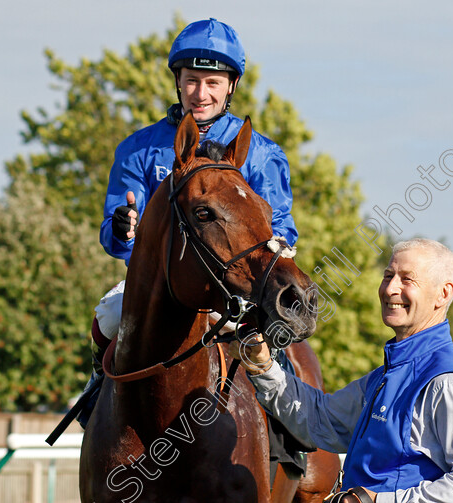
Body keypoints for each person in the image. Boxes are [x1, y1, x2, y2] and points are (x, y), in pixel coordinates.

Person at [77, 18, 299, 428]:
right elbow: (116, 234)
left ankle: (288, 427)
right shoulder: (138, 149)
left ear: (231, 86)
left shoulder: (262, 154)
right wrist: (123, 227)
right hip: (159, 287)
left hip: (233, 285)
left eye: (212, 83)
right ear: (177, 81)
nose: (201, 94)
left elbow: (282, 227)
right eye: (192, 80)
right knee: (108, 317)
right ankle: (97, 396)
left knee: (266, 334)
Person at [231, 238, 453, 502]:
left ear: (443, 293)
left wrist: (373, 500)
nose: (390, 288)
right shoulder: (385, 375)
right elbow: (321, 420)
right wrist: (264, 367)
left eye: (407, 279)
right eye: (388, 276)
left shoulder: (448, 382)